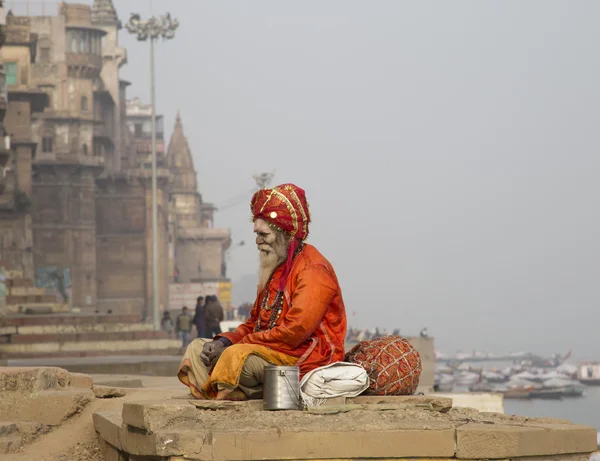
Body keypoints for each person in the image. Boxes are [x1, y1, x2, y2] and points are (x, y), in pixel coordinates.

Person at [178, 183, 347, 400]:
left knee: (236, 356)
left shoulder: (313, 270)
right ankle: (232, 389)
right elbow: (253, 323)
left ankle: (234, 389)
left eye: (264, 234)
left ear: (285, 234)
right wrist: (223, 342)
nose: (258, 241)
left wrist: (236, 347)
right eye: (256, 234)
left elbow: (293, 333)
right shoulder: (275, 270)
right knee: (197, 349)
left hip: (305, 358)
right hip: (268, 351)